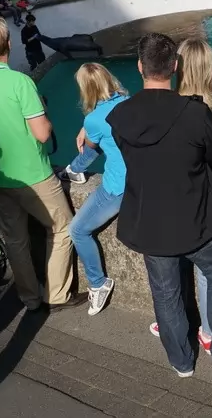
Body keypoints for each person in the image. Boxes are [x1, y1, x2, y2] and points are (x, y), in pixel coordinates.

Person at [106, 33, 212, 375]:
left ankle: (181, 361)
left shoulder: (120, 116)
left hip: (149, 221)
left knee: (165, 293)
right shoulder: (194, 113)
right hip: (198, 219)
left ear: (139, 67)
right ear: (174, 67)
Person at [0, 18, 84, 312]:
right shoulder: (21, 82)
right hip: (33, 175)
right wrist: (49, 121)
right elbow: (42, 133)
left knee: (14, 237)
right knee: (63, 227)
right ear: (9, 44)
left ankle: (29, 297)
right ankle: (56, 294)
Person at [146, 38, 212, 352]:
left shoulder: (162, 109)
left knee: (170, 267)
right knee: (211, 267)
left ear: (178, 68)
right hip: (208, 203)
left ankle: (170, 322)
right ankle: (210, 331)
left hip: (167, 203)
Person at [61, 63, 129, 316]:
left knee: (77, 230)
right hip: (142, 181)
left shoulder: (94, 120)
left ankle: (99, 283)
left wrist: (70, 169)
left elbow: (88, 155)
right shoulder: (129, 101)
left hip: (118, 188)